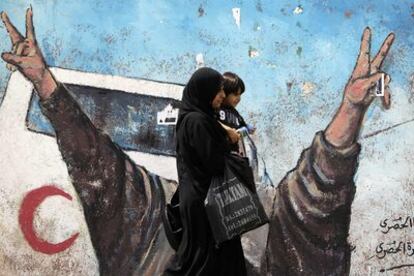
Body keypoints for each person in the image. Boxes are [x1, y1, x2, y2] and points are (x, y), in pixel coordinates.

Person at [1, 8, 395, 276]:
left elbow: (314, 208)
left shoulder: (260, 237)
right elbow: (96, 164)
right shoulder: (154, 223)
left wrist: (351, 108)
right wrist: (44, 84)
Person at [164, 67, 247, 275]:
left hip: (202, 199)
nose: (222, 95)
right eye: (218, 90)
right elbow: (214, 163)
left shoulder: (194, 119)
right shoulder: (197, 122)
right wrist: (229, 141)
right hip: (206, 202)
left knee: (212, 260)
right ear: (205, 90)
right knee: (197, 262)